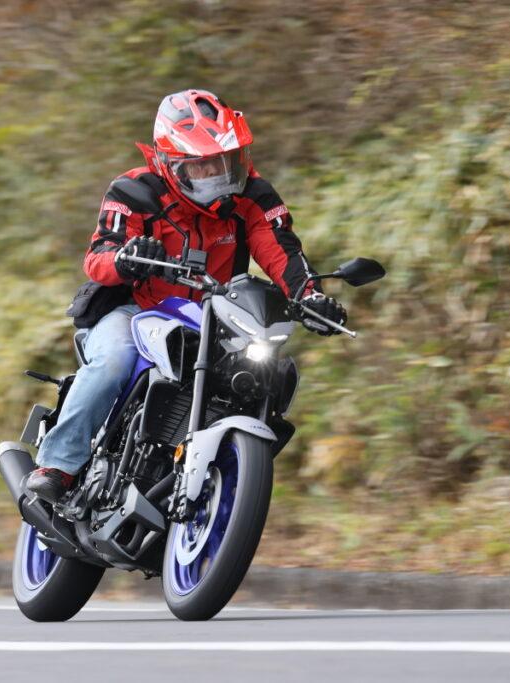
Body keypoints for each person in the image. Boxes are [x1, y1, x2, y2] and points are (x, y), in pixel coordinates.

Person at [26, 89, 347, 503]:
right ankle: (58, 465)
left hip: (217, 316)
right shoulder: (134, 192)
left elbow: (279, 249)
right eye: (202, 165)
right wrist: (127, 258)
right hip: (137, 310)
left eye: (226, 161)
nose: (218, 174)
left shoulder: (253, 196)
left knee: (267, 375)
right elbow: (99, 255)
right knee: (113, 361)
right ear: (171, 163)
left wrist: (310, 296)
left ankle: (227, 480)